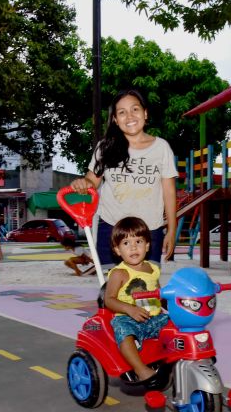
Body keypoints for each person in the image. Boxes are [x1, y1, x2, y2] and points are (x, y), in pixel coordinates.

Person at [69, 89, 177, 270]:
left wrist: (172, 230)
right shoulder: (105, 147)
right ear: (115, 119)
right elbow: (91, 182)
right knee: (113, 283)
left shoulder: (161, 148)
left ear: (145, 113)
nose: (129, 116)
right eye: (122, 112)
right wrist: (82, 183)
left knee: (146, 284)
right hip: (112, 227)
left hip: (149, 229)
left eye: (135, 109)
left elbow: (169, 192)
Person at [105, 216, 169, 383]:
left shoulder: (152, 269)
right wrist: (129, 309)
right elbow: (109, 300)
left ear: (147, 245)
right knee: (123, 332)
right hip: (128, 318)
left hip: (154, 317)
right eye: (126, 243)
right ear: (117, 250)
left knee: (177, 325)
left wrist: (172, 305)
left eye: (138, 241)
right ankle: (140, 369)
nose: (133, 247)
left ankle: (181, 357)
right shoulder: (119, 273)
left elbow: (160, 294)